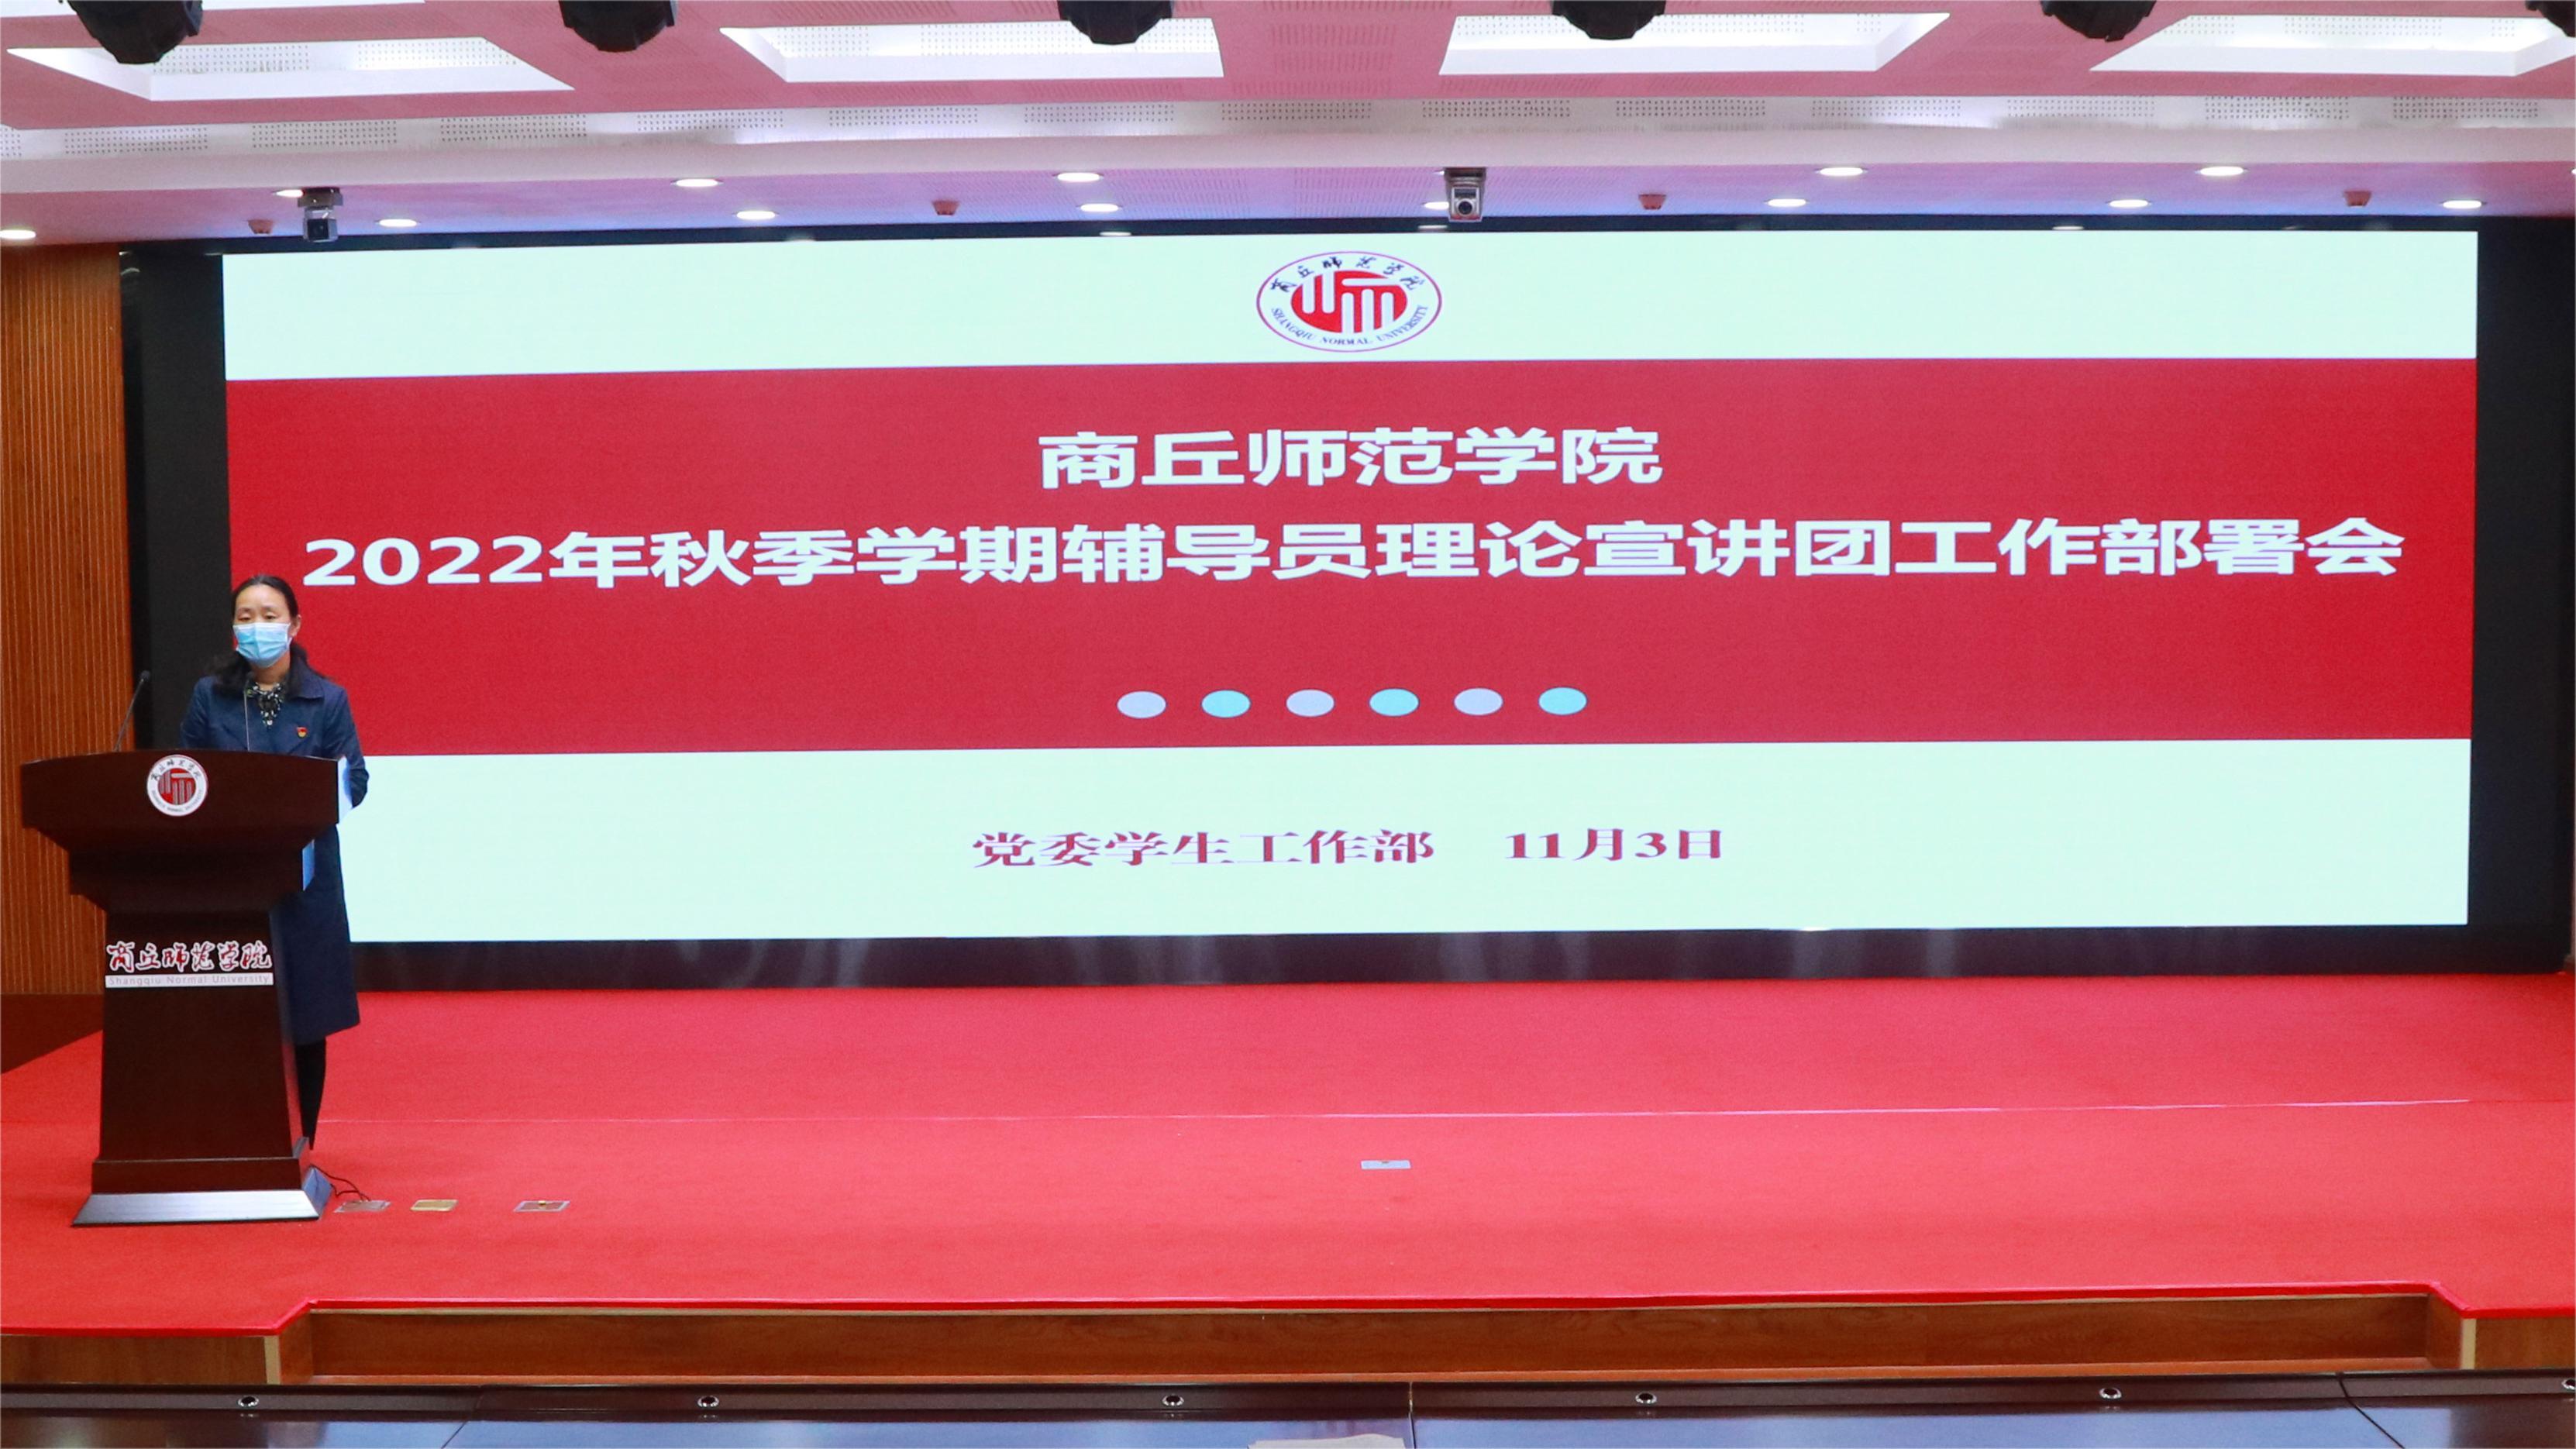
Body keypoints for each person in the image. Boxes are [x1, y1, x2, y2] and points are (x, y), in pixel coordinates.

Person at [180, 574, 368, 1151]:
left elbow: (355, 782)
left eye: (268, 615)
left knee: (305, 1015)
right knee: (232, 1010)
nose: (256, 626)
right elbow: (185, 775)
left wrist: (304, 797)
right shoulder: (210, 696)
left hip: (303, 880)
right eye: (245, 616)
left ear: (294, 625)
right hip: (230, 881)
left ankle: (303, 1140)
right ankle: (233, 1139)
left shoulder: (327, 699)